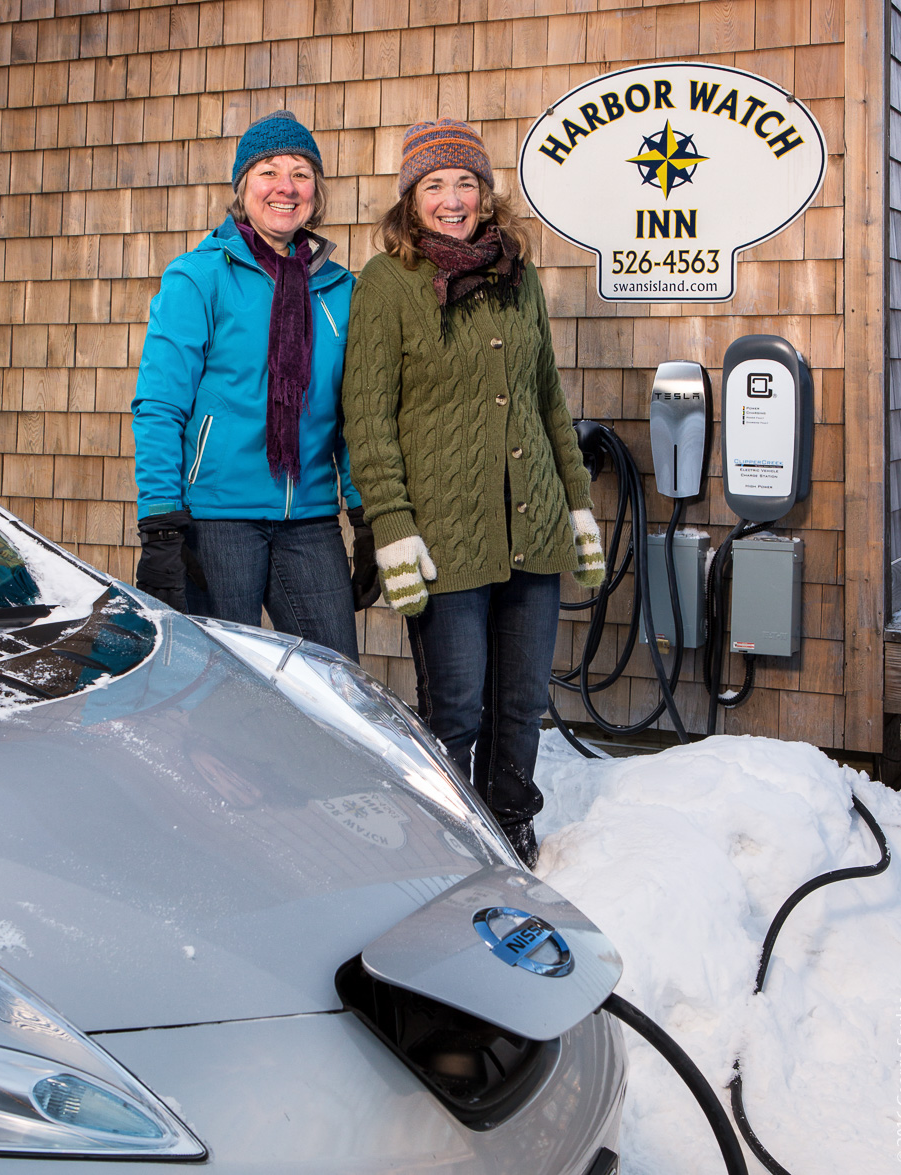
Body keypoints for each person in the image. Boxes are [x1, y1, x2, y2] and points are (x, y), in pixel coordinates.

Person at [341, 119, 605, 866]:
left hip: (534, 522)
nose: (452, 199)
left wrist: (577, 503)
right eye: (435, 185)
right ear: (410, 200)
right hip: (445, 531)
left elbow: (548, 398)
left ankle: (512, 818)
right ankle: (451, 834)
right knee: (455, 704)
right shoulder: (386, 284)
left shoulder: (517, 277)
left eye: (465, 183)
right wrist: (391, 522)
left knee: (521, 698)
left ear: (486, 195)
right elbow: (368, 414)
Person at [131, 111, 378, 660]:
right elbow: (159, 406)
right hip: (218, 523)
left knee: (334, 681)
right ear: (243, 187)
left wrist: (364, 517)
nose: (285, 187)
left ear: (316, 190)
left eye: (300, 172)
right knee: (216, 690)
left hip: (310, 520)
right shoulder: (198, 277)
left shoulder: (340, 290)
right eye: (268, 170)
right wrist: (161, 525)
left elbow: (353, 417)